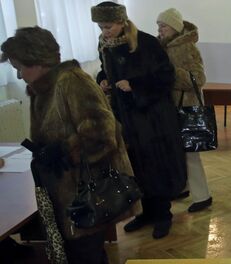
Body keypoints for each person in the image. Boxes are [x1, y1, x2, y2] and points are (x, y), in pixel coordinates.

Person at [1, 26, 135, 263]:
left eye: (19, 68)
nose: (19, 75)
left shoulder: (71, 82)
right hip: (69, 192)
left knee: (86, 254)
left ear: (37, 61)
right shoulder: (44, 87)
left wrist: (63, 150)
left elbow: (103, 133)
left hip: (84, 192)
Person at [92, 1, 187, 239]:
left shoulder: (146, 42)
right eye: (102, 27)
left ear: (122, 21)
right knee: (135, 165)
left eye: (109, 26)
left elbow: (166, 76)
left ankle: (163, 215)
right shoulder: (105, 45)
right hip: (126, 117)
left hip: (153, 116)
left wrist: (135, 85)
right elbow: (106, 71)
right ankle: (144, 212)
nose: (105, 32)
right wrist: (102, 79)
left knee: (157, 165)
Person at [156, 8, 213, 213]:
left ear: (174, 27)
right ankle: (185, 186)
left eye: (163, 26)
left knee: (190, 154)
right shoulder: (163, 46)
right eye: (159, 26)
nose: (160, 30)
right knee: (178, 151)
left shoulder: (187, 47)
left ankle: (202, 195)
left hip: (186, 106)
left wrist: (171, 73)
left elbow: (198, 78)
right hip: (171, 107)